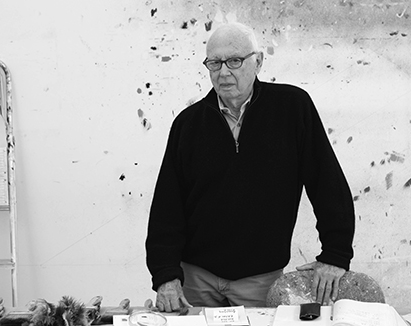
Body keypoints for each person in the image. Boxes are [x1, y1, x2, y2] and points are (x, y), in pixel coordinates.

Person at [145, 22, 355, 311]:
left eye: (234, 61)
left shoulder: (292, 108)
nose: (223, 72)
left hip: (260, 280)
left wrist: (336, 254)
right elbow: (167, 207)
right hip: (196, 278)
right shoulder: (188, 124)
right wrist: (166, 275)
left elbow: (326, 181)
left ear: (258, 61)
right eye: (214, 63)